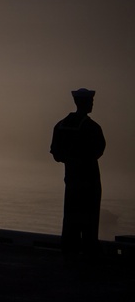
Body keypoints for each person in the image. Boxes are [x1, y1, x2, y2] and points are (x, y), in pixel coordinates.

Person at [50, 88, 106, 257]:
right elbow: (99, 150)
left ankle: (69, 248)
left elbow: (56, 152)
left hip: (71, 178)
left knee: (71, 215)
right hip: (90, 179)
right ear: (85, 103)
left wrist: (70, 159)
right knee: (90, 217)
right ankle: (89, 250)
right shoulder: (92, 127)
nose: (92, 104)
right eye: (90, 102)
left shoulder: (60, 125)